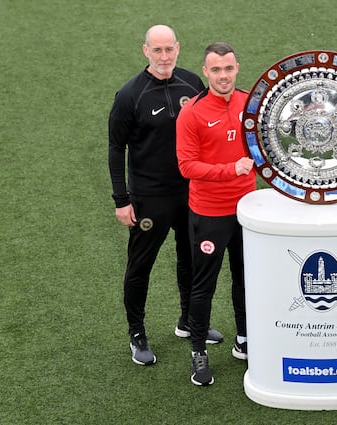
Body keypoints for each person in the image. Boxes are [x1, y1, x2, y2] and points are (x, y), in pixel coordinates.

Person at [108, 24, 224, 367]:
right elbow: (116, 149)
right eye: (156, 50)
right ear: (145, 51)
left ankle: (188, 321)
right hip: (149, 197)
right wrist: (121, 199)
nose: (163, 57)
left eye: (168, 49)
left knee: (191, 259)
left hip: (192, 192)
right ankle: (137, 333)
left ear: (178, 48)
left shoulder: (193, 84)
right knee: (140, 266)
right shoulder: (130, 95)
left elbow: (208, 132)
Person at [176, 42, 256, 386]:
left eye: (229, 69)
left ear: (237, 69)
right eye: (216, 70)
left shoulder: (251, 102)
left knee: (246, 278)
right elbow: (186, 165)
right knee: (203, 285)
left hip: (248, 210)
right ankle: (198, 351)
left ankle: (244, 340)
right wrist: (231, 169)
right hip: (210, 212)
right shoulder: (192, 112)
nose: (223, 76)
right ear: (205, 72)